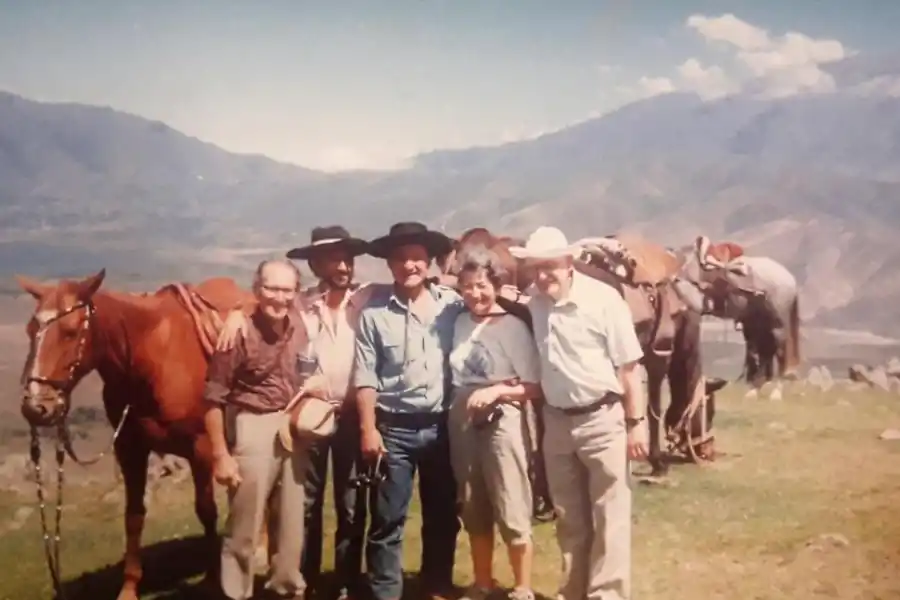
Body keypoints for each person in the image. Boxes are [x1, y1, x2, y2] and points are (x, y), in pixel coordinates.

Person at [216, 225, 373, 600]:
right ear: (315, 264)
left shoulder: (370, 298)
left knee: (352, 504)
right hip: (306, 418)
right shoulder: (300, 304)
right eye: (332, 259)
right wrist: (238, 311)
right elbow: (267, 301)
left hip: (352, 415)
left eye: (347, 258)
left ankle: (347, 581)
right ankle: (304, 579)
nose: (342, 266)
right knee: (303, 504)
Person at [509, 226, 650, 600]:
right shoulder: (535, 301)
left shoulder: (604, 300)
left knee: (610, 516)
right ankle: (572, 591)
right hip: (557, 422)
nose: (543, 275)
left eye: (550, 266)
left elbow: (629, 368)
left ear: (569, 262)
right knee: (569, 516)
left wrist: (636, 425)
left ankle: (607, 594)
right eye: (536, 268)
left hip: (602, 419)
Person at [353, 221, 464, 600]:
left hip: (442, 426)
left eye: (417, 258)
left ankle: (437, 586)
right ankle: (386, 592)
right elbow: (365, 376)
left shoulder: (452, 306)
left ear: (429, 262)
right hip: (393, 430)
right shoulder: (373, 314)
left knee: (443, 514)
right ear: (389, 264)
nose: (409, 265)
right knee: (387, 518)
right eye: (401, 258)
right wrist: (368, 429)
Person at [203, 258, 317, 600]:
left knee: (292, 523)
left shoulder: (299, 322)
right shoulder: (237, 333)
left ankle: (286, 590)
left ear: (296, 292)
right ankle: (235, 592)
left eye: (287, 290)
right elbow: (212, 399)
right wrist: (221, 455)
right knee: (245, 523)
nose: (279, 298)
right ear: (256, 289)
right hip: (252, 424)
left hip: (292, 425)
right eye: (271, 289)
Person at [446, 245, 542, 600]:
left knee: (510, 497)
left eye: (482, 285)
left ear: (497, 285)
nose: (475, 294)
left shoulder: (513, 327)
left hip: (503, 419)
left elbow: (534, 386)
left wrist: (499, 391)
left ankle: (522, 587)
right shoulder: (459, 322)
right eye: (468, 286)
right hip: (463, 417)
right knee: (473, 502)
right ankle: (483, 582)